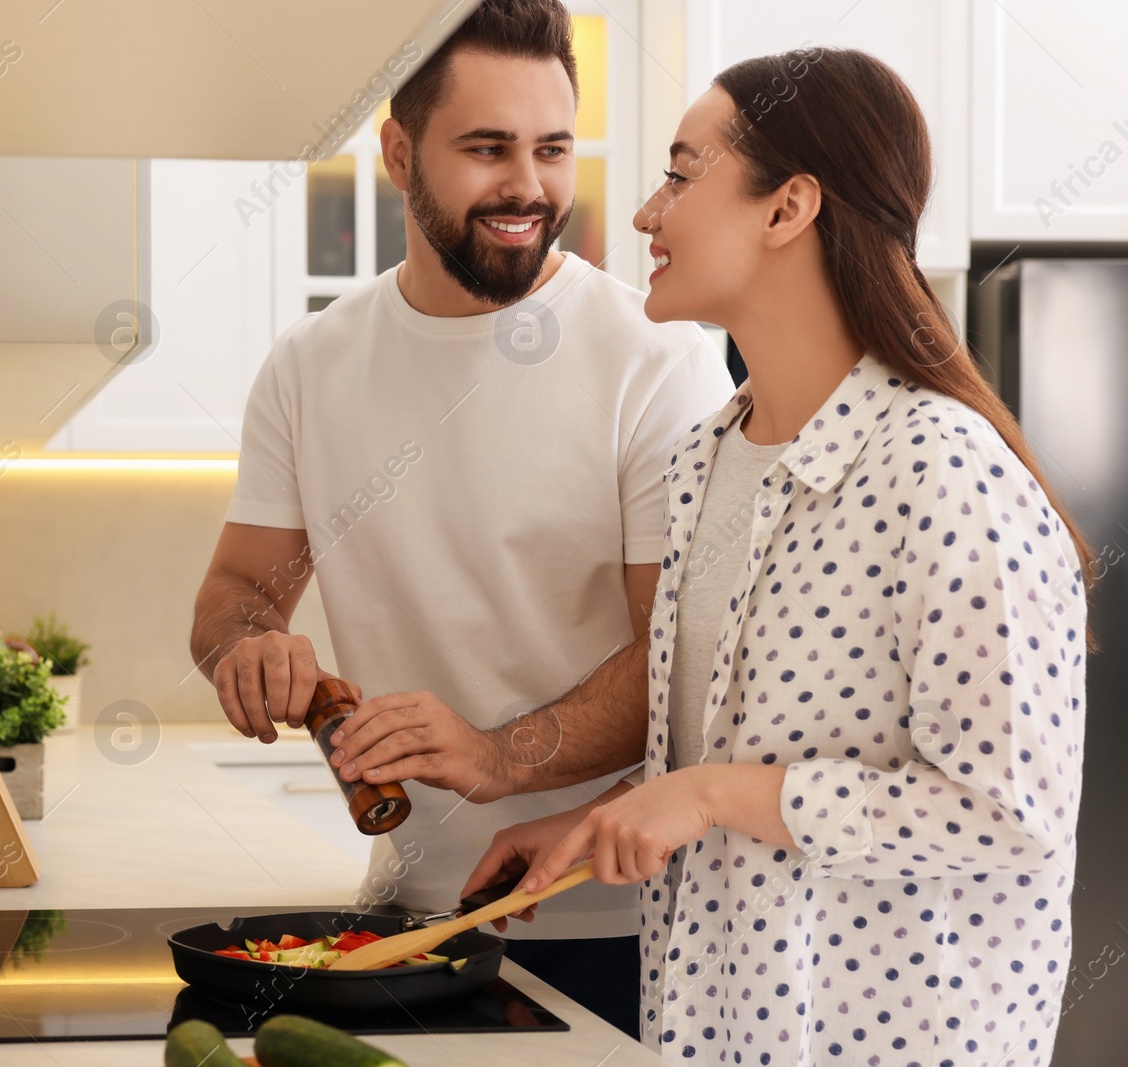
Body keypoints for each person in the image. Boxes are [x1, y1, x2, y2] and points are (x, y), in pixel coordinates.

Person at [461, 48, 1092, 1065]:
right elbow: (742, 756)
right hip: (717, 1023)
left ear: (786, 207)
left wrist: (705, 794)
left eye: (678, 173)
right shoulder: (710, 459)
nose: (644, 215)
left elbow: (1006, 814)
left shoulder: (939, 470)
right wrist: (609, 815)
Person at [188, 0, 733, 1037]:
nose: (527, 187)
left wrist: (496, 756)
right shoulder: (311, 365)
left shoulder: (655, 362)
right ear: (398, 152)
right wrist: (250, 650)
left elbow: (681, 657)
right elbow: (232, 597)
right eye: (487, 149)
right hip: (404, 914)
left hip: (614, 925)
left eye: (551, 149)